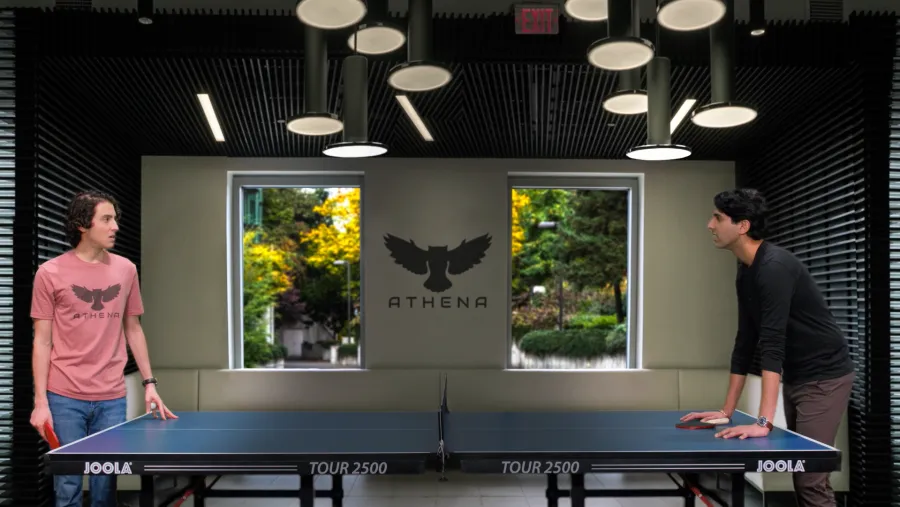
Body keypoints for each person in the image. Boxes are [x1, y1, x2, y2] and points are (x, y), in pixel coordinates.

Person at [681, 188, 855, 507]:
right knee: (801, 476)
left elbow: (772, 343)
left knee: (809, 477)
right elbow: (746, 342)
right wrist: (726, 410)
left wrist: (763, 423)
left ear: (742, 226)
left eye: (717, 218)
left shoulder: (774, 267)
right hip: (799, 375)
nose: (710, 225)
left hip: (825, 378)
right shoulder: (746, 271)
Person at [29, 190, 177, 507]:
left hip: (112, 396)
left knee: (104, 486)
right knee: (67, 485)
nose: (115, 227)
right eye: (106, 219)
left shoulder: (126, 270)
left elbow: (133, 328)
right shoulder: (49, 273)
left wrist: (150, 384)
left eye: (116, 219)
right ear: (83, 225)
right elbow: (42, 340)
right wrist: (41, 402)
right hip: (64, 394)